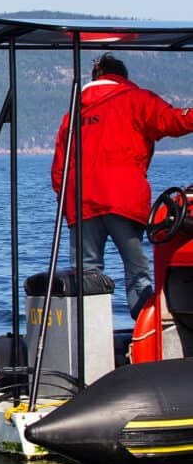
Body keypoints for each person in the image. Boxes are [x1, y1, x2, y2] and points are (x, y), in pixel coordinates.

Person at [52, 53, 193, 319]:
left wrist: (68, 200)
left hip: (80, 205)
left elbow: (59, 169)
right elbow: (172, 120)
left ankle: (87, 340)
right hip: (122, 200)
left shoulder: (73, 114)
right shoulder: (137, 100)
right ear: (123, 77)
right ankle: (144, 335)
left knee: (86, 276)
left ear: (96, 78)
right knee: (137, 271)